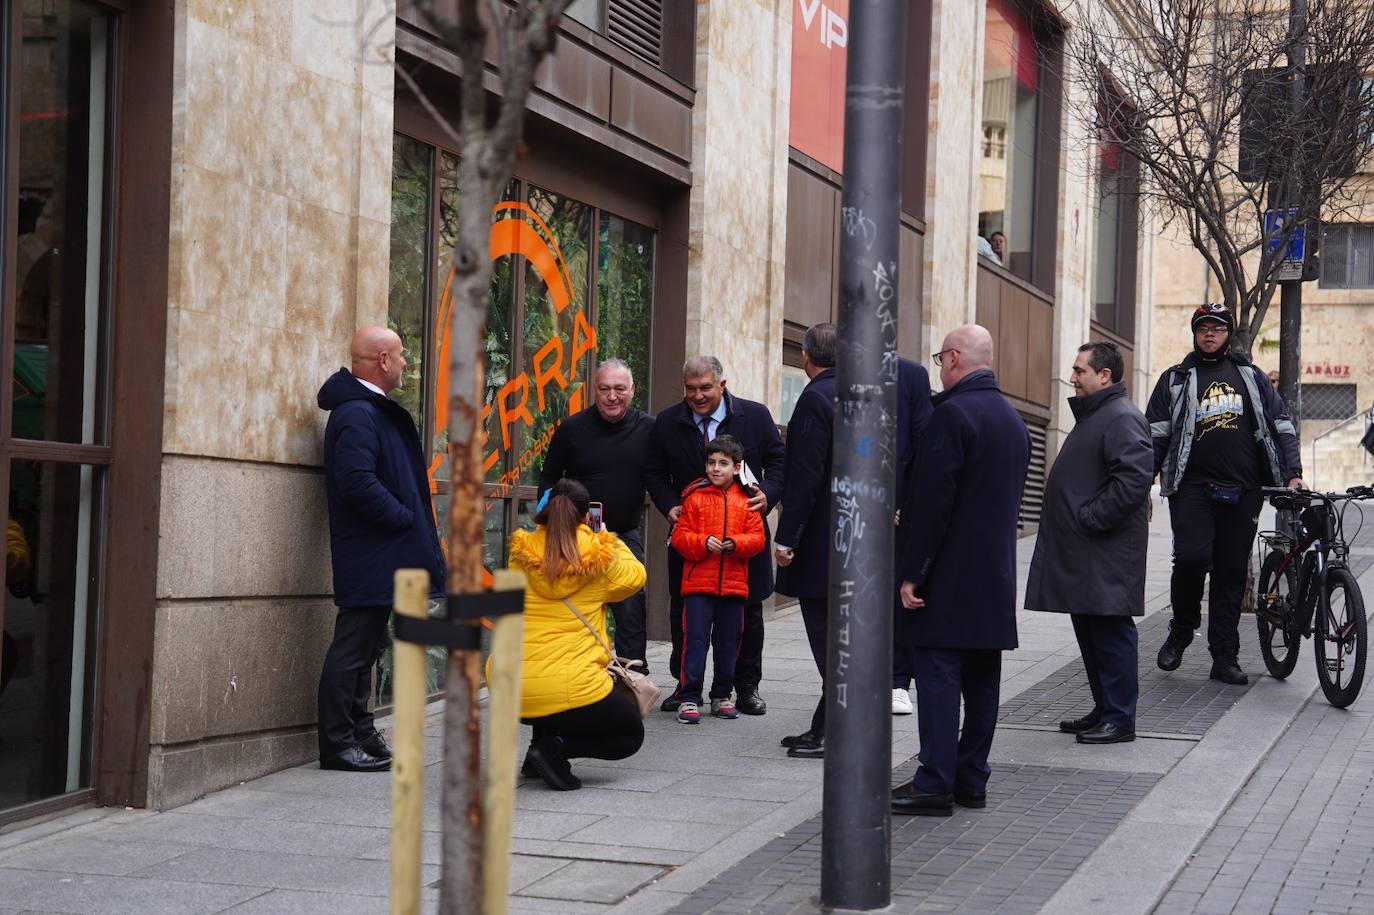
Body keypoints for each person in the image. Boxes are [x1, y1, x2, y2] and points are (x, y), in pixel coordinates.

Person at [892, 324, 1030, 816]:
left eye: (939, 359)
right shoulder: (1013, 421)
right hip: (992, 578)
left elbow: (932, 505)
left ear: (953, 359)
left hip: (947, 579)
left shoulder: (951, 416)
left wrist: (913, 572)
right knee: (982, 682)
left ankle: (933, 782)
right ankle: (971, 779)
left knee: (939, 681)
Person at [1148, 303, 1303, 685]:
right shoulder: (1176, 379)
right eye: (1203, 328)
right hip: (1192, 488)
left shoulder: (1251, 377)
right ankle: (1183, 629)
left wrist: (1294, 473)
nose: (1210, 334)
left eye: (1217, 328)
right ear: (1195, 334)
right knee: (1190, 559)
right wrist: (1141, 486)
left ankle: (1224, 656)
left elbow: (1281, 424)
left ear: (1228, 333)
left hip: (1244, 490)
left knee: (1230, 574)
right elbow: (1154, 436)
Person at [316, 327, 446, 773]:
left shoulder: (367, 409)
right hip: (370, 552)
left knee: (366, 648)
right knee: (352, 648)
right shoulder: (356, 413)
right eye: (402, 356)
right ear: (384, 360)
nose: (407, 363)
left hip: (380, 553)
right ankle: (336, 744)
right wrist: (403, 516)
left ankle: (360, 730)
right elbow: (356, 481)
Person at [1025, 342, 1152, 745]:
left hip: (1106, 550)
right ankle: (1105, 709)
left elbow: (1133, 480)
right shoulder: (1099, 415)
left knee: (1111, 633)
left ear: (1104, 376)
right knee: (1092, 631)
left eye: (1080, 370)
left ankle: (1120, 718)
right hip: (1090, 551)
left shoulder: (1121, 417)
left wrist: (1090, 518)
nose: (1073, 377)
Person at [645, 356, 785, 716]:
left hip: (741, 538)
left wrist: (767, 493)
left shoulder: (754, 416)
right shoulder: (667, 422)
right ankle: (685, 688)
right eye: (691, 389)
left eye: (705, 387)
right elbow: (654, 472)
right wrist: (669, 505)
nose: (698, 395)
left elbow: (780, 462)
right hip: (692, 543)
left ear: (722, 385)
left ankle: (744, 688)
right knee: (687, 617)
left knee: (747, 616)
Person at [509, 479, 647, 791]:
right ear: (586, 517)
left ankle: (537, 755)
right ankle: (552, 748)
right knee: (629, 735)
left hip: (514, 685)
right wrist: (608, 539)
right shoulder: (597, 557)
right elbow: (636, 577)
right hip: (572, 683)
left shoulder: (519, 555)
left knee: (548, 677)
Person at [538, 358, 655, 666]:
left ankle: (634, 683)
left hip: (623, 537)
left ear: (632, 390)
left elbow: (664, 473)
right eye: (604, 389)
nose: (611, 396)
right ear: (594, 390)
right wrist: (549, 523)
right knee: (575, 609)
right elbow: (548, 478)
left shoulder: (649, 429)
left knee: (631, 607)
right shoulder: (572, 428)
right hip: (576, 538)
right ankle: (577, 676)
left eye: (619, 389)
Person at [773, 323, 838, 758]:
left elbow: (806, 476)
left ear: (805, 356)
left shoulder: (815, 399)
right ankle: (826, 725)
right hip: (856, 541)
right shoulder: (861, 396)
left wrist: (787, 536)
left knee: (827, 640)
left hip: (821, 545)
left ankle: (833, 730)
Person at [670, 435, 766, 724]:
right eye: (711, 462)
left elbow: (758, 539)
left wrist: (735, 543)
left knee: (728, 642)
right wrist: (703, 542)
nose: (715, 468)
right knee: (694, 641)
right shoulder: (694, 497)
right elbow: (680, 538)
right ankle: (688, 698)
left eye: (723, 463)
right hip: (698, 585)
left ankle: (722, 695)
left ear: (736, 468)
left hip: (734, 587)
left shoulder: (747, 501)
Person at [891, 355, 935, 716]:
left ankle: (897, 682)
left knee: (896, 593)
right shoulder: (838, 376)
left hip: (895, 510)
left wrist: (910, 503)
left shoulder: (910, 375)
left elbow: (923, 442)